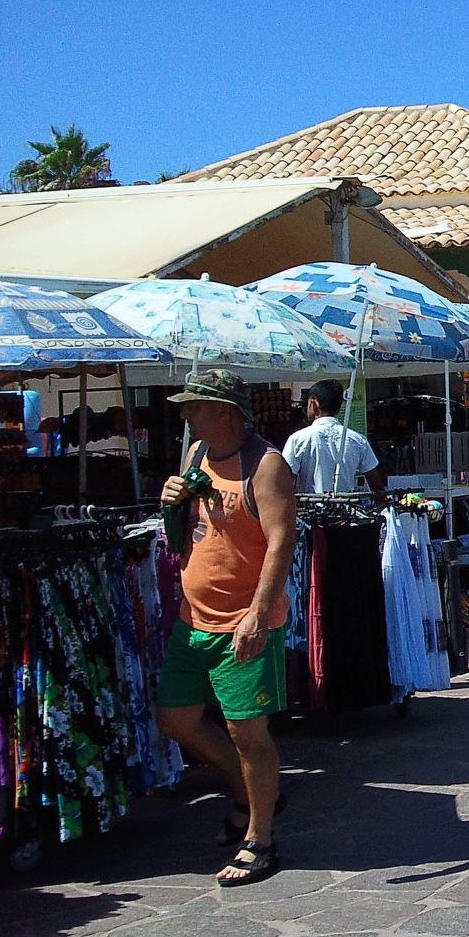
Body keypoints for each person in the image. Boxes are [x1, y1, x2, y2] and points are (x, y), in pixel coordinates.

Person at [155, 369, 298, 886]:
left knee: (246, 731)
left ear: (225, 411)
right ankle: (251, 793)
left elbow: (282, 541)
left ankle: (260, 839)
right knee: (175, 718)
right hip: (194, 618)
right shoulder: (196, 455)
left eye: (194, 406)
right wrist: (171, 497)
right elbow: (192, 530)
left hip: (243, 621)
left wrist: (258, 613)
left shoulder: (265, 465)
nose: (185, 414)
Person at [282, 379, 386, 499]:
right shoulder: (358, 440)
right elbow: (376, 484)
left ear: (313, 404)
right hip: (348, 508)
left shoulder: (297, 440)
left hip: (310, 507)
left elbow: (284, 482)